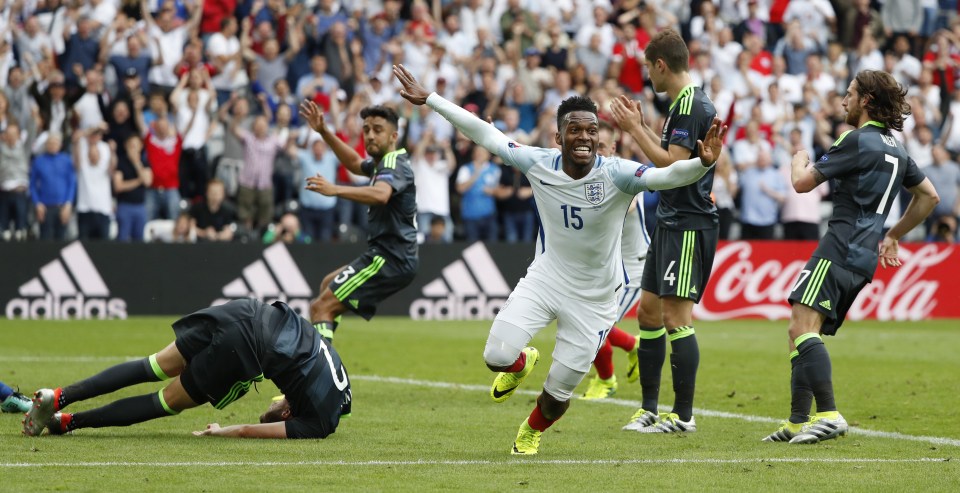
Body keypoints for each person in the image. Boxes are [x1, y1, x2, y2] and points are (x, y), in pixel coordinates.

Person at [393, 64, 725, 455]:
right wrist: (431, 99)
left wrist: (702, 164)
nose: (584, 137)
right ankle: (521, 364)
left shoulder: (618, 174)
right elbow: (485, 134)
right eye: (575, 130)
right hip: (546, 279)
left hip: (595, 299)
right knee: (496, 356)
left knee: (557, 396)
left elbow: (665, 177)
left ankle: (531, 431)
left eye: (591, 131)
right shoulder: (538, 163)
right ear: (559, 136)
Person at [763, 70, 939, 444]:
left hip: (839, 246)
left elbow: (802, 183)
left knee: (800, 329)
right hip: (862, 258)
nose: (842, 101)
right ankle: (797, 420)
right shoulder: (897, 149)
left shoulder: (856, 140)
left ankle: (827, 414)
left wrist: (798, 158)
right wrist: (893, 235)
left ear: (866, 101)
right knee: (801, 331)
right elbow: (929, 197)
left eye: (849, 94)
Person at [23, 299, 351, 439]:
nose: (274, 402)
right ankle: (67, 422)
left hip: (248, 310)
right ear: (287, 414)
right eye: (276, 407)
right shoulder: (317, 424)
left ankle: (60, 396)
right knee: (165, 401)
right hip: (247, 347)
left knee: (152, 365)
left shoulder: (342, 394)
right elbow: (248, 431)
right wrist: (220, 430)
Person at [610, 29, 719, 433]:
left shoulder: (690, 105)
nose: (646, 77)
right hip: (671, 221)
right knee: (649, 312)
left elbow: (671, 168)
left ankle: (684, 416)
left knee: (676, 316)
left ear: (661, 64)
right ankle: (650, 409)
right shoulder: (682, 104)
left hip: (688, 224)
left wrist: (634, 128)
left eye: (647, 68)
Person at [299, 100, 418, 343]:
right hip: (390, 255)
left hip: (390, 258)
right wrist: (323, 131)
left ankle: (321, 369)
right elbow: (354, 163)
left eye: (377, 129)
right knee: (328, 284)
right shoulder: (381, 164)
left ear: (393, 135)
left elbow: (381, 195)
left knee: (320, 308)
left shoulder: (393, 164)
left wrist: (335, 189)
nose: (370, 136)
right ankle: (324, 357)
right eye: (366, 130)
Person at [581, 122, 647, 401]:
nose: (599, 152)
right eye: (595, 146)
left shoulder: (625, 174)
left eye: (604, 146)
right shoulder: (590, 176)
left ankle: (606, 380)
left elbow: (628, 204)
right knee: (585, 322)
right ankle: (633, 346)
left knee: (591, 327)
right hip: (608, 266)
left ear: (614, 148)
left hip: (633, 269)